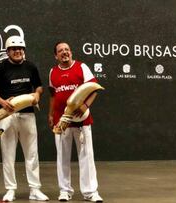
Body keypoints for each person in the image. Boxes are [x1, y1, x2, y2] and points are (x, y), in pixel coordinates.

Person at [0, 35, 49, 202]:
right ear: (8, 51)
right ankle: (10, 190)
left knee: (32, 153)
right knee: (8, 154)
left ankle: (35, 189)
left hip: (28, 114)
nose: (18, 51)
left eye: (20, 49)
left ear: (24, 51)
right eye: (14, 49)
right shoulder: (0, 68)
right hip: (7, 115)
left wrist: (37, 94)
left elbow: (39, 86)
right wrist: (2, 102)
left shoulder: (30, 66)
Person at [48, 42, 103, 202]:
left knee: (86, 156)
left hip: (81, 121)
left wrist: (86, 105)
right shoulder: (53, 72)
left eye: (67, 49)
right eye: (60, 51)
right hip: (61, 121)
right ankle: (65, 190)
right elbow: (53, 95)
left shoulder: (82, 67)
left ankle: (91, 192)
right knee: (62, 157)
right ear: (56, 55)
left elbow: (95, 88)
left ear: (71, 52)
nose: (64, 52)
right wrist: (51, 115)